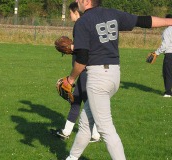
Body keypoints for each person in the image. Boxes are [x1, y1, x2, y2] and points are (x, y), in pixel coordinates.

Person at [62, 0, 172, 160]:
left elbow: (82, 59)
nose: (77, 1)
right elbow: (144, 21)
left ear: (87, 2)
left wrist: (70, 79)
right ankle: (72, 157)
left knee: (106, 129)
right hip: (114, 74)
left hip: (97, 77)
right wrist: (170, 21)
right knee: (86, 123)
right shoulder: (112, 13)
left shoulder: (83, 21)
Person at [50, 2, 101, 143]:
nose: (69, 16)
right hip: (84, 71)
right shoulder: (85, 24)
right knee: (76, 101)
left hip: (86, 71)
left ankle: (96, 134)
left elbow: (85, 50)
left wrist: (72, 48)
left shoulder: (81, 25)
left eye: (70, 13)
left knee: (89, 103)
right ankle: (66, 132)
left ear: (76, 12)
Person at [154, 14, 172, 98]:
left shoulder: (167, 30)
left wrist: (157, 53)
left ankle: (168, 93)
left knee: (167, 73)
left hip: (170, 54)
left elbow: (165, 45)